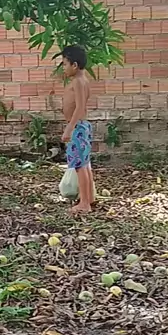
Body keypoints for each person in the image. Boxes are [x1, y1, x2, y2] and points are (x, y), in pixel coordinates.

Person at [61, 45, 95, 214]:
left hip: (78, 127)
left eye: (64, 64)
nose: (63, 68)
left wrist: (69, 128)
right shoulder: (82, 80)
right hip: (81, 126)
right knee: (84, 164)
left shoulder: (78, 82)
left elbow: (80, 107)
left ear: (74, 65)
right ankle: (89, 197)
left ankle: (84, 203)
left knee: (80, 166)